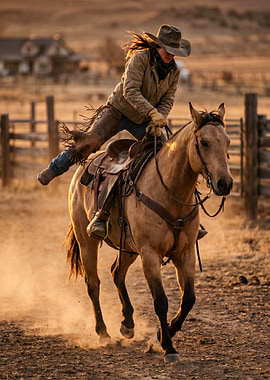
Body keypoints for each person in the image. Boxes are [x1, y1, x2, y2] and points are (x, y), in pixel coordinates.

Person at [37, 24, 192, 239]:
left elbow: (168, 99)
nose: (170, 55)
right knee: (89, 143)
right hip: (118, 110)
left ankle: (183, 214)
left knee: (167, 155)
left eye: (174, 52)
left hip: (146, 120)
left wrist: (159, 118)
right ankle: (55, 168)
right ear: (158, 46)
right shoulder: (140, 60)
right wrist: (152, 112)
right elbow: (130, 91)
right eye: (168, 50)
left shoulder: (174, 71)